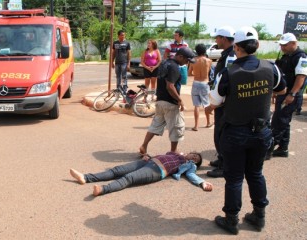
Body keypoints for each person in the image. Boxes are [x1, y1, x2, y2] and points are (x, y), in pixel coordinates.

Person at [207, 26, 286, 235]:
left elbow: (214, 100)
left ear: (236, 47)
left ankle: (231, 220)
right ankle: (259, 217)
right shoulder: (272, 68)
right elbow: (282, 89)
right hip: (261, 132)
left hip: (235, 132)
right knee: (256, 173)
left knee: (234, 178)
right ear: (257, 45)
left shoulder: (228, 72)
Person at [69, 152, 213, 196]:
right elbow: (161, 155)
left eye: (196, 159)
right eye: (193, 154)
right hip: (149, 162)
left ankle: (102, 189)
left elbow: (192, 175)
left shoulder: (189, 166)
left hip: (157, 171)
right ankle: (85, 178)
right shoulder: (176, 153)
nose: (193, 157)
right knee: (116, 170)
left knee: (128, 178)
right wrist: (148, 156)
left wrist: (202, 182)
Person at [139, 48, 196, 156]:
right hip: (170, 102)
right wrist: (179, 100)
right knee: (176, 126)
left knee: (155, 125)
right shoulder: (174, 67)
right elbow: (170, 86)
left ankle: (144, 146)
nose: (186, 63)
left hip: (160, 100)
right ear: (180, 56)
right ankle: (173, 151)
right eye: (186, 60)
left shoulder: (164, 62)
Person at [204, 26, 237, 178]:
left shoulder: (231, 55)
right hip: (221, 101)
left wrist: (217, 102)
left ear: (223, 38)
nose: (216, 40)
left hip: (224, 103)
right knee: (219, 132)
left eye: (217, 38)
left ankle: (225, 166)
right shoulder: (226, 54)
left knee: (222, 134)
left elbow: (229, 80)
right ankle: (221, 159)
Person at [270, 33, 307, 157]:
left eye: (285, 45)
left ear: (293, 43)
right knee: (283, 121)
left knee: (279, 121)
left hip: (291, 95)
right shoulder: (286, 56)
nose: (282, 47)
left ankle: (269, 148)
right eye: (281, 45)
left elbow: (301, 77)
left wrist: (292, 94)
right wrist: (277, 92)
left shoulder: (301, 57)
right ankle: (283, 148)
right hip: (283, 93)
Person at [188, 43, 213, 131]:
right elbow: (209, 72)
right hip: (205, 83)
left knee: (196, 105)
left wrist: (195, 74)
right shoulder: (209, 61)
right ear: (204, 51)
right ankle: (208, 122)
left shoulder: (193, 60)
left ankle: (196, 126)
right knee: (206, 104)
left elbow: (189, 73)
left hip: (195, 82)